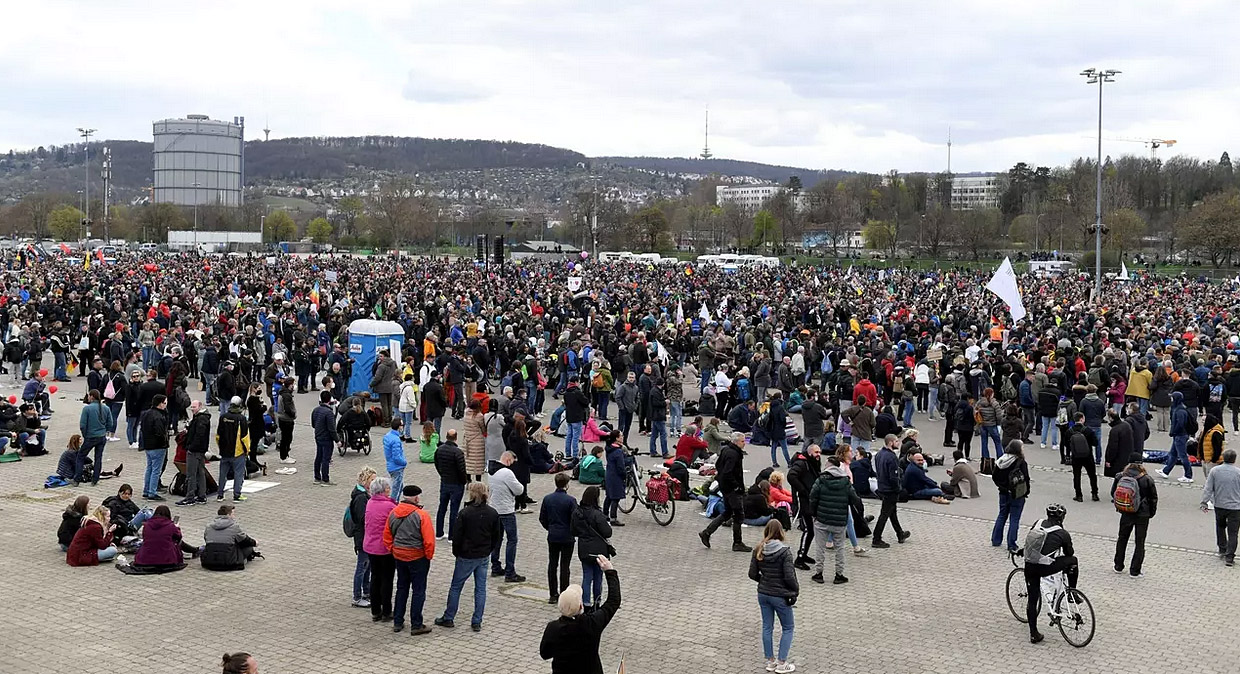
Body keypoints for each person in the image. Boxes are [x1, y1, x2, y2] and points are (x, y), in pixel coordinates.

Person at [539, 555, 620, 674]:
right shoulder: (591, 623)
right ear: (581, 606)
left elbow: (545, 654)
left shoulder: (553, 628)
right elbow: (613, 601)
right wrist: (610, 572)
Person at [436, 481, 500, 631]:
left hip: (466, 555)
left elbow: (457, 536)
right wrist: (488, 550)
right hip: (483, 555)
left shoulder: (465, 513)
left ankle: (449, 617)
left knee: (456, 587)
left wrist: (457, 552)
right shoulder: (492, 513)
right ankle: (477, 621)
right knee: (480, 589)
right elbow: (496, 536)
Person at [384, 484, 436, 635]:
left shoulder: (393, 512)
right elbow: (429, 541)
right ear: (416, 497)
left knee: (402, 587)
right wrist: (428, 556)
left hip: (399, 556)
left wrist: (393, 549)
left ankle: (398, 621)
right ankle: (416, 624)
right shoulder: (421, 515)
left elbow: (387, 535)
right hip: (417, 557)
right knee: (418, 590)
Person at [748, 520, 799, 673]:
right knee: (788, 627)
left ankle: (770, 661)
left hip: (763, 594)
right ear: (781, 532)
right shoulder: (785, 552)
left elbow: (752, 574)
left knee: (767, 627)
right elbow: (789, 576)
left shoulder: (758, 549)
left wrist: (764, 581)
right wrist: (795, 590)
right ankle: (782, 663)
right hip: (780, 596)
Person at [1023, 503, 1078, 644]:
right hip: (1045, 568)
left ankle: (1033, 634)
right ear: (1062, 517)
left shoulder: (1038, 523)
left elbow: (1031, 544)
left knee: (1032, 600)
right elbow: (1069, 553)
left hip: (1030, 566)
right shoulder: (1062, 533)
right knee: (1073, 560)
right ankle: (1072, 592)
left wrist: (1019, 551)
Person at [808, 455, 860, 584]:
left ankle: (819, 574)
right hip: (839, 521)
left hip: (822, 519)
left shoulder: (820, 480)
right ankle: (839, 574)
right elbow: (855, 499)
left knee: (820, 548)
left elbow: (813, 498)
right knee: (840, 548)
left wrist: (814, 514)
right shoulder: (846, 482)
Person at [699, 432, 752, 552]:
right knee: (738, 514)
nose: (744, 444)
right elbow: (728, 472)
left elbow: (718, 465)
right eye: (743, 441)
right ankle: (737, 543)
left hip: (724, 486)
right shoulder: (733, 454)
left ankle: (707, 532)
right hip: (731, 489)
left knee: (728, 512)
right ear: (736, 442)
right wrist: (736, 486)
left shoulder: (726, 450)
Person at [1111, 462, 1158, 577]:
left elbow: (1113, 493)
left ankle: (1118, 565)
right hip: (1142, 514)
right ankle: (1135, 570)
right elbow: (1153, 498)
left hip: (1126, 512)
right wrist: (1151, 513)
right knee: (1139, 542)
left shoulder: (1120, 476)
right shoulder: (1147, 479)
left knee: (1122, 538)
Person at [572, 485, 613, 610]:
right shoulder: (597, 514)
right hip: (599, 550)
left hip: (584, 549)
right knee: (598, 577)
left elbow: (573, 530)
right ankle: (597, 602)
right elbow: (607, 532)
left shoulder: (577, 512)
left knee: (587, 576)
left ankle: (586, 603)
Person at [362, 476, 397, 622]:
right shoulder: (390, 506)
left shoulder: (370, 502)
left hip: (370, 546)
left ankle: (375, 611)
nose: (390, 490)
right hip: (385, 548)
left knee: (375, 577)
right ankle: (387, 611)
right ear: (383, 490)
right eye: (388, 488)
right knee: (387, 579)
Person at [489, 451, 526, 582]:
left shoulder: (491, 471)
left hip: (494, 509)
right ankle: (510, 572)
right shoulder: (506, 473)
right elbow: (519, 490)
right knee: (512, 540)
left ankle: (495, 566)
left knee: (497, 539)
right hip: (506, 510)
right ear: (508, 460)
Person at [541, 472, 578, 604]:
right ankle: (563, 593)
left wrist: (550, 528)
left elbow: (542, 518)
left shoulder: (547, 499)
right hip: (567, 537)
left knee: (552, 564)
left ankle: (552, 594)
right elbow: (575, 519)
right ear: (567, 485)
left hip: (553, 535)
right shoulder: (571, 501)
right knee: (565, 566)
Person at [1201, 449, 1240, 567]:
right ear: (1234, 459)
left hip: (1219, 505)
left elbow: (1208, 488)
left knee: (1220, 527)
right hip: (1235, 507)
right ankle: (1229, 557)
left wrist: (1204, 502)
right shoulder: (1238, 472)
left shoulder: (1215, 471)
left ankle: (1222, 549)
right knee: (1233, 533)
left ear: (1223, 458)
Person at [870, 434, 910, 548]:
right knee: (884, 514)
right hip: (890, 489)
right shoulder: (891, 457)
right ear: (891, 442)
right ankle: (876, 538)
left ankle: (900, 533)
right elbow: (893, 476)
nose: (898, 443)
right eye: (897, 441)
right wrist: (898, 489)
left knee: (892, 512)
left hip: (882, 487)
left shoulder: (879, 454)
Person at [787, 443, 822, 569]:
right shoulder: (802, 463)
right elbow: (791, 476)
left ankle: (804, 554)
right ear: (810, 452)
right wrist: (802, 490)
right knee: (808, 530)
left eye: (820, 452)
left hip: (810, 500)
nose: (819, 455)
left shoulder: (812, 463)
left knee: (811, 531)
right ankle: (800, 558)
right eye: (816, 452)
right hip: (803, 501)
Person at [991, 441, 1030, 551]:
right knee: (1014, 519)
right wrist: (1026, 492)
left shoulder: (1001, 460)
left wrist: (1002, 487)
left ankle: (996, 540)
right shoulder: (1021, 462)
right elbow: (1026, 478)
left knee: (1002, 515)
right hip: (1017, 494)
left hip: (1003, 493)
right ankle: (1011, 544)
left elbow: (994, 476)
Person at [348, 466, 376, 608]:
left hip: (367, 537)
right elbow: (362, 518)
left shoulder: (365, 494)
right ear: (365, 480)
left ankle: (366, 592)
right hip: (363, 537)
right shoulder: (360, 498)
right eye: (372, 480)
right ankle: (357, 597)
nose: (374, 482)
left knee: (367, 566)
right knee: (362, 567)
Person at [201, 504, 259, 571]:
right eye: (233, 514)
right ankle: (241, 560)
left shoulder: (208, 526)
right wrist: (255, 543)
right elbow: (245, 540)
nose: (234, 516)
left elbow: (206, 539)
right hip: (229, 563)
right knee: (248, 547)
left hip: (209, 562)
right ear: (228, 515)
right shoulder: (234, 527)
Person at [132, 505, 191, 571]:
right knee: (176, 542)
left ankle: (194, 550)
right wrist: (177, 527)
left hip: (145, 559)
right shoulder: (170, 525)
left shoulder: (147, 525)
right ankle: (194, 550)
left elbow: (145, 537)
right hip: (167, 560)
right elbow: (178, 537)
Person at [433, 428, 468, 540]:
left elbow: (437, 464)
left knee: (442, 507)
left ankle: (439, 533)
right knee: (454, 510)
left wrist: (442, 474)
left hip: (445, 482)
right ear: (456, 438)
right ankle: (452, 536)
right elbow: (462, 470)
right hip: (456, 484)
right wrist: (464, 481)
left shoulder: (439, 450)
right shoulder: (458, 452)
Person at [176, 400, 211, 506]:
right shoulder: (203, 418)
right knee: (200, 473)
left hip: (195, 450)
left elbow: (199, 435)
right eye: (191, 407)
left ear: (200, 407)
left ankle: (190, 497)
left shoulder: (200, 419)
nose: (192, 409)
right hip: (201, 450)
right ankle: (201, 496)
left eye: (194, 407)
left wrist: (191, 447)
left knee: (191, 474)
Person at [215, 397, 250, 503]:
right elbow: (245, 437)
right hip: (237, 452)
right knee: (238, 474)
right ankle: (237, 495)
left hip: (224, 451)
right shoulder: (241, 419)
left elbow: (218, 435)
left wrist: (221, 448)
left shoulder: (223, 417)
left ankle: (220, 495)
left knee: (222, 474)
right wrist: (247, 450)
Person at [76, 389, 113, 486]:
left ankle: (77, 479)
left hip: (90, 436)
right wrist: (105, 432)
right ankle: (95, 479)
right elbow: (110, 423)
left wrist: (85, 435)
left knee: (80, 456)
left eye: (88, 396)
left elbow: (83, 425)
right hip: (101, 436)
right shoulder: (106, 408)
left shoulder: (87, 409)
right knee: (98, 458)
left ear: (92, 396)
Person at [1157, 391, 1194, 483]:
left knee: (1183, 456)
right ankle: (1166, 471)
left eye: (1172, 397)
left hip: (1180, 436)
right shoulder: (1179, 408)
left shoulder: (1180, 410)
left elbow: (1180, 424)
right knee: (1173, 454)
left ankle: (1188, 475)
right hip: (1179, 435)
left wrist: (1173, 432)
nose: (1171, 399)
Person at [138, 394, 170, 501]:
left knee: (149, 468)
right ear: (160, 404)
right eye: (165, 403)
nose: (166, 405)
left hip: (148, 445)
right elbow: (160, 432)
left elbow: (142, 428)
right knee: (156, 470)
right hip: (158, 446)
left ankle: (146, 490)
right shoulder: (159, 416)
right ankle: (152, 492)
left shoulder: (146, 414)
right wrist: (165, 441)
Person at [1065, 414, 1099, 502]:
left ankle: (1078, 495)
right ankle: (1094, 494)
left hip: (1076, 456)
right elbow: (1095, 443)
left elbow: (1066, 444)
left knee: (1076, 475)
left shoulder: (1069, 431)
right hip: (1088, 456)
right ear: (1082, 419)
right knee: (1092, 475)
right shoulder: (1088, 430)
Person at [310, 391, 338, 485]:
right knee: (326, 458)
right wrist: (337, 440)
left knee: (318, 456)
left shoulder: (315, 410)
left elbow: (313, 424)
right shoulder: (329, 413)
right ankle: (325, 479)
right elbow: (332, 429)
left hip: (318, 436)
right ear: (329, 399)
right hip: (327, 438)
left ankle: (317, 477)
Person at [603, 431, 627, 526]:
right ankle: (613, 518)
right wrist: (624, 475)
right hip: (616, 476)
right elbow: (620, 467)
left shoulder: (609, 448)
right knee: (615, 498)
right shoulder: (618, 451)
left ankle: (605, 514)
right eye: (621, 435)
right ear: (617, 438)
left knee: (609, 495)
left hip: (609, 474)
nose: (622, 437)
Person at [384, 418, 407, 497]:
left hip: (390, 465)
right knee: (396, 491)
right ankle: (393, 506)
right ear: (399, 427)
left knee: (399, 487)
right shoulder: (396, 440)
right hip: (397, 467)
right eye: (402, 425)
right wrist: (404, 462)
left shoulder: (388, 436)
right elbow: (396, 457)